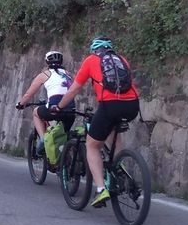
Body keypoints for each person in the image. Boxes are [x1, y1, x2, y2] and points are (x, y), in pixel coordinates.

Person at [53, 36, 139, 208]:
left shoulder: (91, 60)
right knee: (112, 131)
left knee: (92, 145)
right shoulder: (122, 60)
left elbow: (74, 89)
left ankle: (101, 189)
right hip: (132, 106)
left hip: (110, 105)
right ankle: (120, 171)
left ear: (94, 50)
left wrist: (60, 106)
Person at [15, 50, 75, 157]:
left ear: (47, 62)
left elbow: (28, 94)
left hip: (54, 109)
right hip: (71, 110)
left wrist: (20, 104)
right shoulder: (69, 75)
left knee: (35, 113)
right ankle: (64, 162)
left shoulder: (45, 75)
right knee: (63, 136)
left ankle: (43, 140)